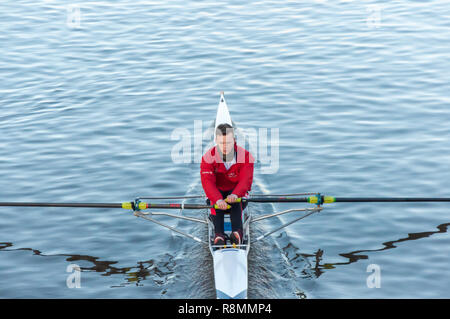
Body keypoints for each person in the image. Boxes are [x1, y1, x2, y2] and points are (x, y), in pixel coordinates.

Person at [200, 123, 254, 246]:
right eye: (222, 143)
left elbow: (246, 181)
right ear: (216, 141)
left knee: (235, 201)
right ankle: (219, 235)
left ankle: (237, 233)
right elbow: (207, 182)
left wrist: (235, 194)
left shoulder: (245, 156)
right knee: (216, 204)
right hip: (217, 195)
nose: (225, 147)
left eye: (228, 143)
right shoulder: (208, 157)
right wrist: (218, 199)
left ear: (234, 140)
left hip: (237, 194)